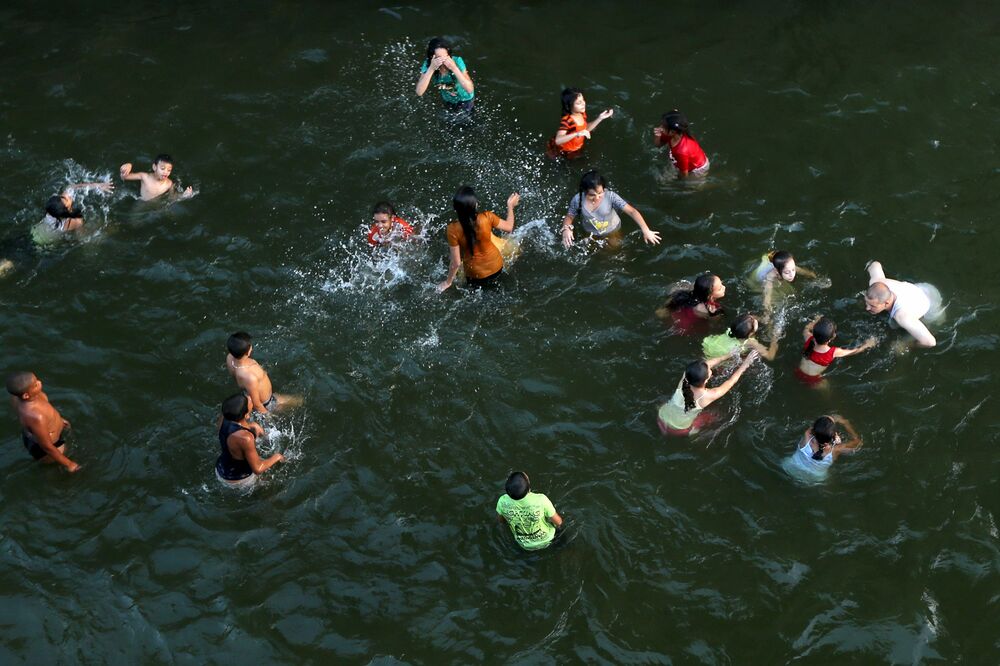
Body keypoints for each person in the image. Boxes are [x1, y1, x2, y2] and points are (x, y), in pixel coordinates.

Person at [657, 351, 759, 436]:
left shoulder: (685, 378)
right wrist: (745, 364)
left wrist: (727, 355)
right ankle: (698, 436)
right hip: (678, 429)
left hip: (661, 416)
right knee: (716, 415)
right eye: (709, 371)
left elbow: (704, 365)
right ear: (705, 381)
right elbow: (731, 382)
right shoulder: (708, 395)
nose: (710, 369)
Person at [437, 186, 519, 291]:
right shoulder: (487, 217)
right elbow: (509, 227)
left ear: (455, 208)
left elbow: (456, 262)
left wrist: (447, 282)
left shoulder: (452, 229)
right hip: (497, 267)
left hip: (475, 276)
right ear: (476, 205)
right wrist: (510, 206)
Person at [561, 170, 661, 248]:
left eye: (600, 193)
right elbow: (570, 216)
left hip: (612, 230)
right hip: (589, 232)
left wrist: (646, 230)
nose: (597, 197)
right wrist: (566, 229)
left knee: (614, 251)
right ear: (584, 192)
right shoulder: (577, 199)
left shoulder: (611, 196)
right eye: (592, 195)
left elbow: (632, 211)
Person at [6, 372, 80, 472]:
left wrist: (59, 419)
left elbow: (47, 409)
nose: (40, 382)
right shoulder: (36, 416)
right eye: (36, 384)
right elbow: (46, 446)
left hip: (36, 434)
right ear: (26, 395)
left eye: (37, 380)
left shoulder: (20, 397)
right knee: (54, 469)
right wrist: (69, 464)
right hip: (47, 447)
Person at [864, 260, 941, 348]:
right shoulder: (877, 282)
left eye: (872, 306)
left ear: (886, 303)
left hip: (931, 304)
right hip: (923, 288)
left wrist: (907, 345)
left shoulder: (902, 316)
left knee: (898, 347)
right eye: (866, 303)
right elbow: (874, 264)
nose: (867, 308)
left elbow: (930, 342)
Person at [216, 393, 284, 488]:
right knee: (271, 485)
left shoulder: (224, 417)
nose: (249, 398)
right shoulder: (246, 438)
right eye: (247, 402)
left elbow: (233, 431)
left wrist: (251, 425)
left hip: (221, 468)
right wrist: (277, 457)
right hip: (238, 480)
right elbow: (258, 468)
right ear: (247, 415)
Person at [226, 332, 302, 415]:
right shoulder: (249, 377)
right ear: (247, 353)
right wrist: (268, 416)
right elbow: (257, 404)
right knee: (300, 401)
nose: (252, 348)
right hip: (268, 403)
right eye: (250, 347)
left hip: (248, 393)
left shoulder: (230, 358)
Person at [796, 316, 877, 384]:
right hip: (813, 379)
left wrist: (816, 320)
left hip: (798, 372)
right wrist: (867, 345)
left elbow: (806, 328)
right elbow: (854, 351)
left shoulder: (808, 337)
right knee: (829, 396)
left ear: (813, 332)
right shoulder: (833, 352)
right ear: (830, 339)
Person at [495, 471, 563, 551]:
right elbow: (558, 522)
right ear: (529, 489)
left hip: (524, 545)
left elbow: (501, 521)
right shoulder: (541, 499)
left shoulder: (502, 501)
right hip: (548, 539)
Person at [785, 414, 862, 480]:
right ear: (834, 436)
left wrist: (832, 433)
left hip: (791, 468)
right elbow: (858, 442)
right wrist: (845, 423)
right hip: (814, 479)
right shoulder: (836, 450)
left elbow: (817, 425)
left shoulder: (806, 436)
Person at [546, 88, 613, 159]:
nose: (583, 104)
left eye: (583, 100)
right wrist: (577, 133)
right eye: (578, 103)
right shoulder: (567, 120)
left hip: (576, 147)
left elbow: (586, 129)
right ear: (569, 106)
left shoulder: (581, 113)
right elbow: (558, 140)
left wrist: (600, 118)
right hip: (564, 151)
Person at [415, 37, 475, 113]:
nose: (443, 61)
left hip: (465, 99)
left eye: (445, 57)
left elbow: (469, 89)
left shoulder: (457, 61)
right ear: (432, 57)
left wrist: (454, 68)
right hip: (448, 100)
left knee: (466, 120)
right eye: (439, 58)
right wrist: (431, 69)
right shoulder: (428, 65)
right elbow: (419, 92)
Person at [751, 250, 818, 315]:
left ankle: (770, 256)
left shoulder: (789, 267)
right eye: (787, 272)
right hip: (759, 274)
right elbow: (767, 296)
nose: (792, 274)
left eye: (793, 270)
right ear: (777, 271)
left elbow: (807, 273)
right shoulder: (770, 277)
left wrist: (817, 279)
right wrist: (767, 311)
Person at [656, 273, 725, 331]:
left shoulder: (686, 293)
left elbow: (659, 312)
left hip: (676, 317)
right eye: (720, 289)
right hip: (683, 328)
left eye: (721, 284)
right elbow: (714, 325)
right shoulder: (711, 309)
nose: (724, 287)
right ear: (710, 296)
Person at [653, 110, 709, 177]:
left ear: (672, 132)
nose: (660, 127)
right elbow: (658, 145)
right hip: (684, 159)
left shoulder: (681, 152)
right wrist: (658, 136)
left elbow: (684, 174)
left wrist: (677, 181)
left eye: (663, 126)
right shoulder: (673, 133)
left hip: (697, 169)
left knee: (690, 186)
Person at [701, 313, 779, 361]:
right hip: (722, 357)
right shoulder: (751, 342)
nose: (755, 320)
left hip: (710, 347)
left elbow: (749, 318)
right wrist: (775, 338)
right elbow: (770, 356)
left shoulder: (732, 329)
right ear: (750, 334)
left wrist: (762, 319)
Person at [43, 181, 114, 232]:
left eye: (63, 197)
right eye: (67, 200)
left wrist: (97, 185)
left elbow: (71, 187)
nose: (68, 197)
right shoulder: (75, 222)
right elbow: (83, 236)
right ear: (68, 211)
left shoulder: (53, 208)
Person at [119, 154, 194, 201]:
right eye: (162, 168)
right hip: (142, 203)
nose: (165, 172)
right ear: (154, 167)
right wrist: (128, 166)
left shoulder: (169, 183)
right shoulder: (144, 176)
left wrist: (183, 195)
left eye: (169, 170)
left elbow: (171, 197)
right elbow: (124, 177)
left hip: (157, 206)